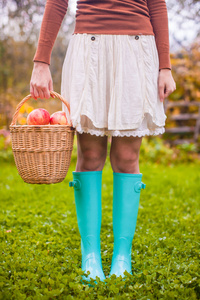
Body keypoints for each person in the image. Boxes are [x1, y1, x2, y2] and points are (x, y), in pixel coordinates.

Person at [30, 0, 176, 282]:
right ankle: (91, 256)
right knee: (91, 155)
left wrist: (165, 66)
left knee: (126, 158)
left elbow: (157, 5)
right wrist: (41, 61)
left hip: (137, 50)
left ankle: (122, 256)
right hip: (89, 49)